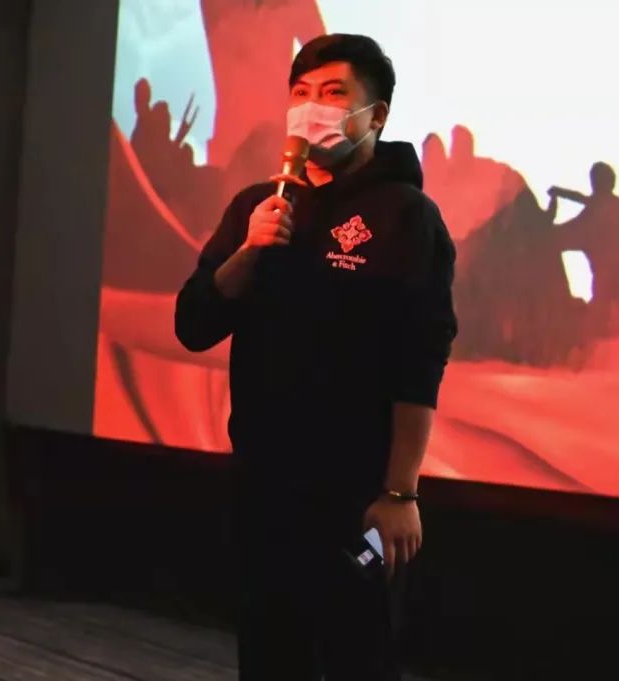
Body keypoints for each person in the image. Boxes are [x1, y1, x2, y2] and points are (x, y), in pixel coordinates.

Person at [174, 34, 457, 680]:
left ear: (375, 114)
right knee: (271, 651)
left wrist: (400, 491)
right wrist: (249, 253)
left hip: (357, 496)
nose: (311, 108)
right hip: (263, 484)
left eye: (332, 93)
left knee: (358, 651)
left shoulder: (407, 216)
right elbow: (193, 324)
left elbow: (420, 362)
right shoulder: (259, 205)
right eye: (300, 93)